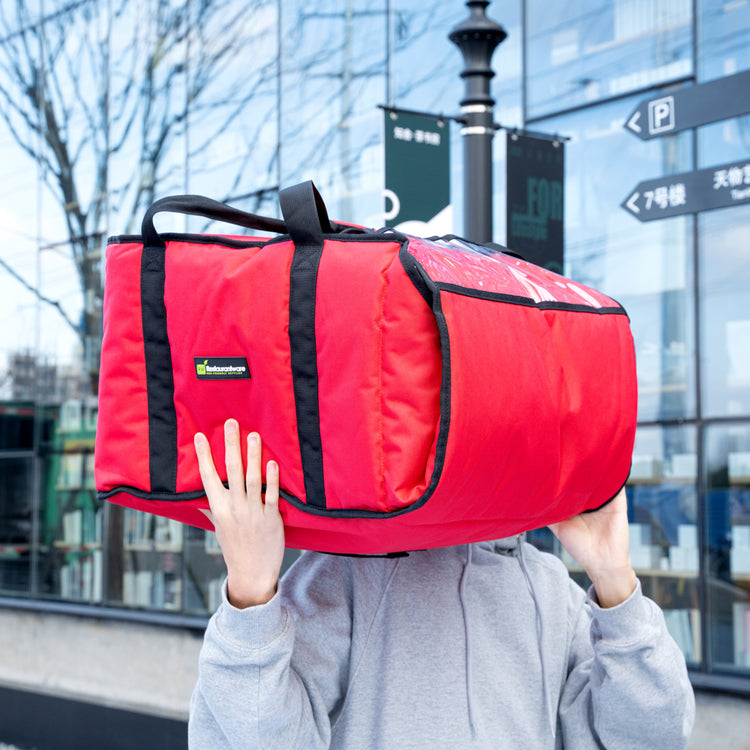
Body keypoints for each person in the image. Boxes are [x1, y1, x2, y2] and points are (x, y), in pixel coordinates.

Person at [188, 419, 695, 749]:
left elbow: (652, 738)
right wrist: (250, 593)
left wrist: (614, 579)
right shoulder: (351, 569)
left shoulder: (549, 587)